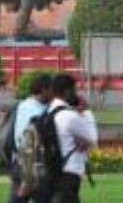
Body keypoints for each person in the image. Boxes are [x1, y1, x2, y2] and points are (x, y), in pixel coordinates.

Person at [46, 73, 97, 203]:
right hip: (69, 173)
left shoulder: (47, 113)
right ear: (67, 91)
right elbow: (93, 139)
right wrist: (86, 111)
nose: (77, 93)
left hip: (49, 173)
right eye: (75, 90)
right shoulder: (69, 116)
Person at [8, 74, 54, 203]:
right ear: (44, 89)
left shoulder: (22, 105)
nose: (54, 94)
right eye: (52, 89)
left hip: (18, 163)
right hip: (34, 167)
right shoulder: (41, 112)